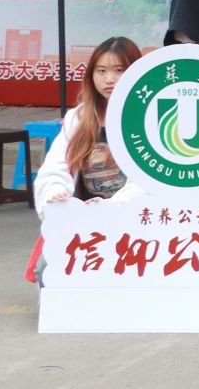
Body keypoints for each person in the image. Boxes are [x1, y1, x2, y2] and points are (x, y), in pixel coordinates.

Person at [29, 36, 143, 284]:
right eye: (101, 71)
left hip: (133, 220)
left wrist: (111, 208)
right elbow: (54, 167)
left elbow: (148, 181)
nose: (109, 79)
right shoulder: (78, 118)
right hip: (82, 219)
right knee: (47, 268)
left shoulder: (148, 118)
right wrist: (57, 194)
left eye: (119, 70)